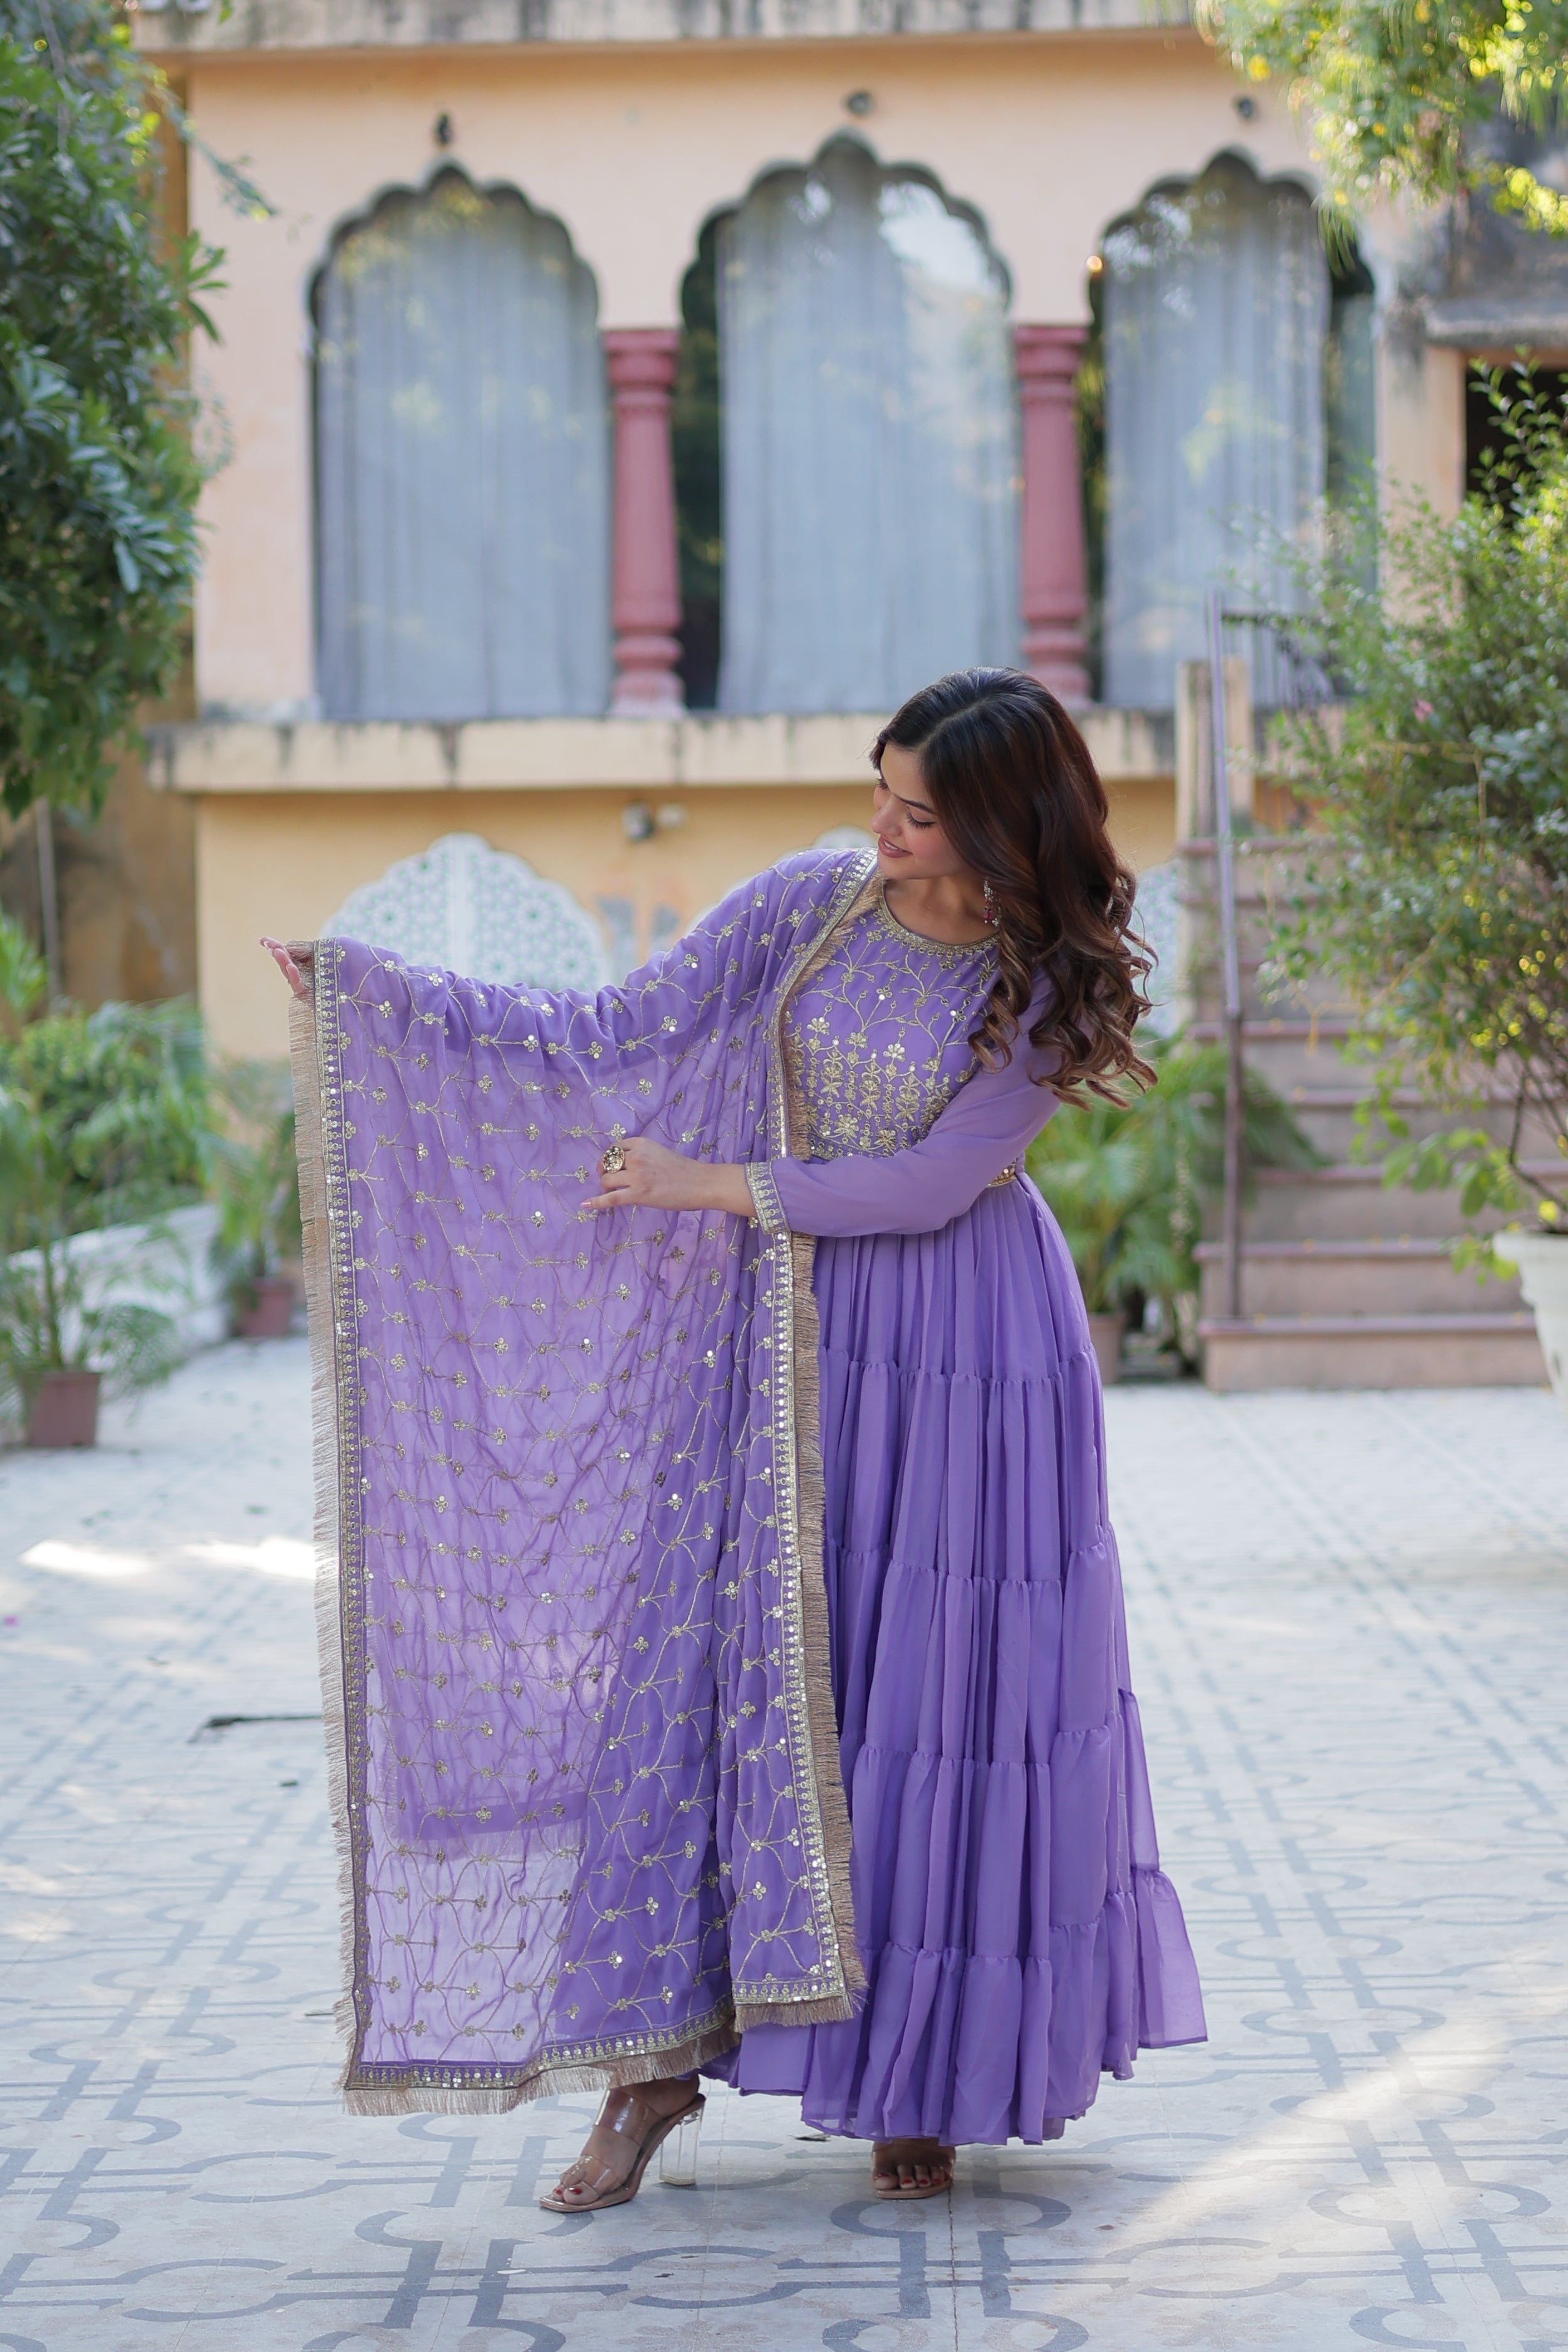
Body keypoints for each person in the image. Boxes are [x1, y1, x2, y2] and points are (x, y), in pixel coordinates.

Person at [265, 667, 1204, 2216]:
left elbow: (923, 1187)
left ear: (998, 827)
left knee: (936, 1696)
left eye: (917, 813)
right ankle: (648, 2077)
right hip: (784, 1345)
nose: (885, 833)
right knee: (707, 1681)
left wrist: (706, 1185)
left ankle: (929, 2080)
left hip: (971, 1359)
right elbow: (616, 1023)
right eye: (883, 795)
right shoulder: (812, 904)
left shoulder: (1038, 985)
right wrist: (379, 997)